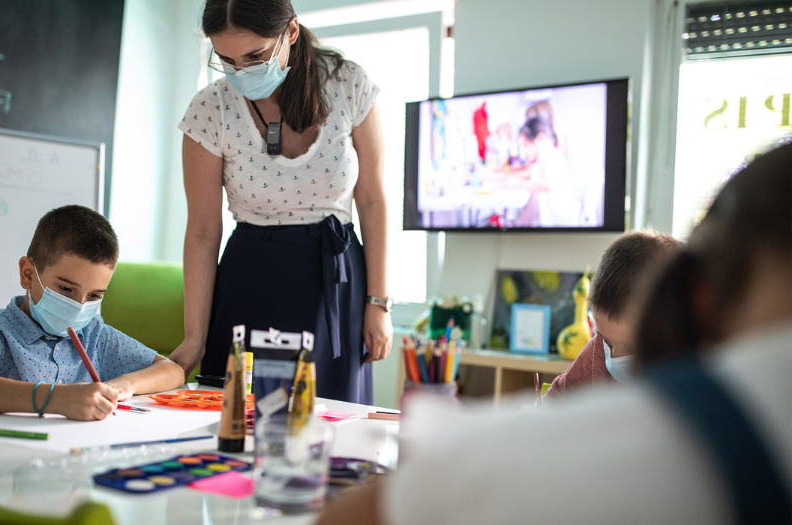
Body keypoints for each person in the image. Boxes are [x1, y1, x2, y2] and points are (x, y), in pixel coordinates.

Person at [315, 143, 791, 524]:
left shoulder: (688, 437)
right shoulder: (604, 359)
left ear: (696, 297)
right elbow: (556, 405)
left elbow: (368, 511)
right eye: (607, 340)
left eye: (630, 345)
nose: (615, 354)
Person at [169, 0, 392, 404]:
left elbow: (373, 199)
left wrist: (379, 303)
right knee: (241, 415)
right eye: (226, 60)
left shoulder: (348, 84)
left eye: (255, 56)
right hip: (250, 277)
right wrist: (194, 337)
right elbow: (202, 230)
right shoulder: (210, 108)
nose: (241, 72)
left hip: (335, 279)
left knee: (330, 418)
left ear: (290, 31)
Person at [0, 205, 186, 421]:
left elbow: (172, 370)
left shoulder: (94, 335)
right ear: (28, 274)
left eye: (94, 296)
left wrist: (122, 386)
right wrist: (56, 398)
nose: (79, 306)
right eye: (66, 289)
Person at [546, 230, 682, 397]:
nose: (614, 358)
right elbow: (556, 398)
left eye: (631, 348)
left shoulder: (688, 372)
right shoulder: (598, 348)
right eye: (607, 342)